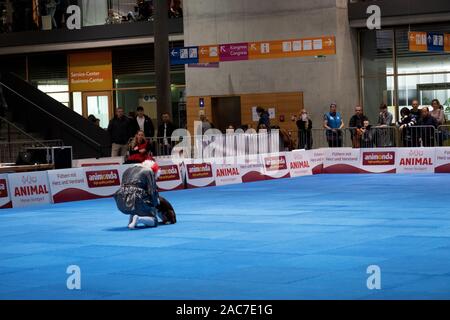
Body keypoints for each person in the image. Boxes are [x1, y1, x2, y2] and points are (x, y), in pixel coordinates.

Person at [114, 160, 176, 229]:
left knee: (133, 203)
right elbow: (152, 192)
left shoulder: (127, 170)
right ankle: (138, 219)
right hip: (136, 200)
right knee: (154, 220)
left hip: (120, 201)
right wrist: (152, 208)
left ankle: (131, 221)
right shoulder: (148, 171)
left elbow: (124, 188)